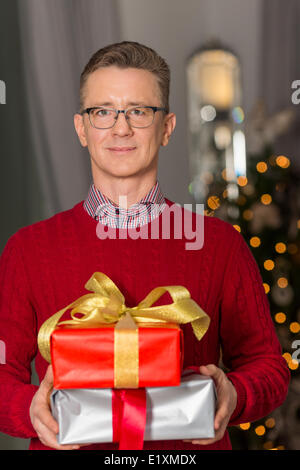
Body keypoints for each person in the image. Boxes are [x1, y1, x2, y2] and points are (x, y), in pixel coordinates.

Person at [0, 41, 290, 451]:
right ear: (82, 129)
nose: (121, 128)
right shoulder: (28, 250)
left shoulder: (220, 245)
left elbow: (268, 366)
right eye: (103, 112)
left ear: (167, 127)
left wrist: (234, 395)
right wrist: (29, 407)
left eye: (139, 111)